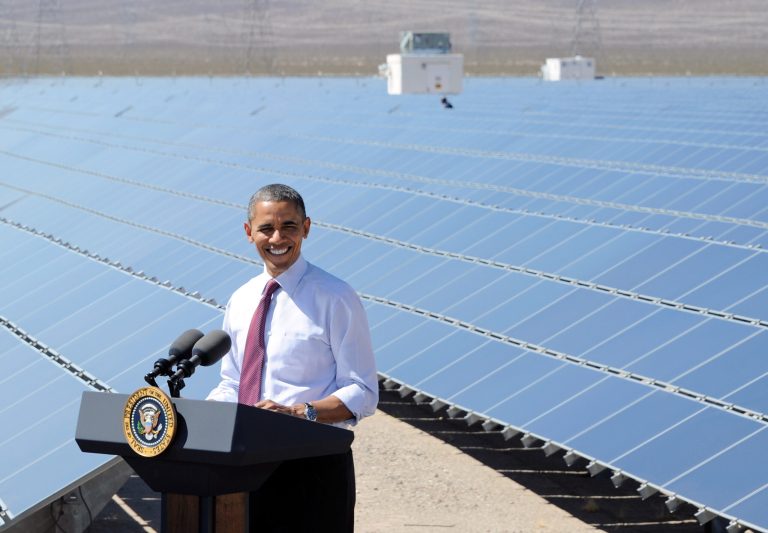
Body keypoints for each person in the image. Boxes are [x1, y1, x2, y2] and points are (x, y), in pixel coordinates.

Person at [207, 183, 378, 532]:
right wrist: (208, 416)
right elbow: (232, 381)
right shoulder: (240, 300)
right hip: (245, 461)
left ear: (307, 228)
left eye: (289, 226)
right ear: (248, 232)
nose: (277, 238)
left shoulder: (336, 297)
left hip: (313, 465)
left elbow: (363, 391)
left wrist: (299, 413)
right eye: (266, 228)